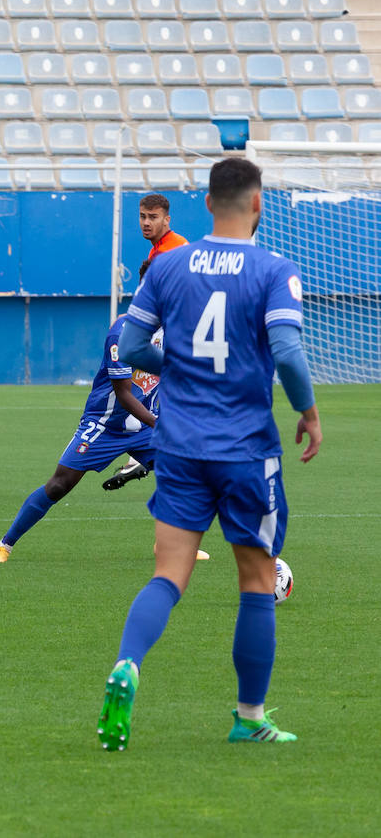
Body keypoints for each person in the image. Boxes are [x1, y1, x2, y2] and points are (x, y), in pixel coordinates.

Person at [96, 158, 322, 750]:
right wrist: (308, 411)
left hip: (180, 445)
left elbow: (130, 345)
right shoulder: (273, 268)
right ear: (257, 205)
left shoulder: (168, 265)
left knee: (168, 574)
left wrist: (180, 365)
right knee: (254, 580)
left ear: (204, 206)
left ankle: (128, 665)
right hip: (246, 449)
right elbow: (290, 353)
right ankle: (249, 716)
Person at [0, 313, 160, 564]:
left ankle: (170, 545)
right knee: (59, 485)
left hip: (147, 425)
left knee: (185, 474)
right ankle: (4, 545)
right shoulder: (123, 333)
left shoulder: (177, 326)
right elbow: (123, 394)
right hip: (104, 424)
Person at [103, 193, 190, 491]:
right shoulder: (159, 252)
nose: (146, 222)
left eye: (153, 217)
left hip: (184, 329)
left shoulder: (172, 251)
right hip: (172, 328)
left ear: (167, 219)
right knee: (151, 386)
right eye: (142, 216)